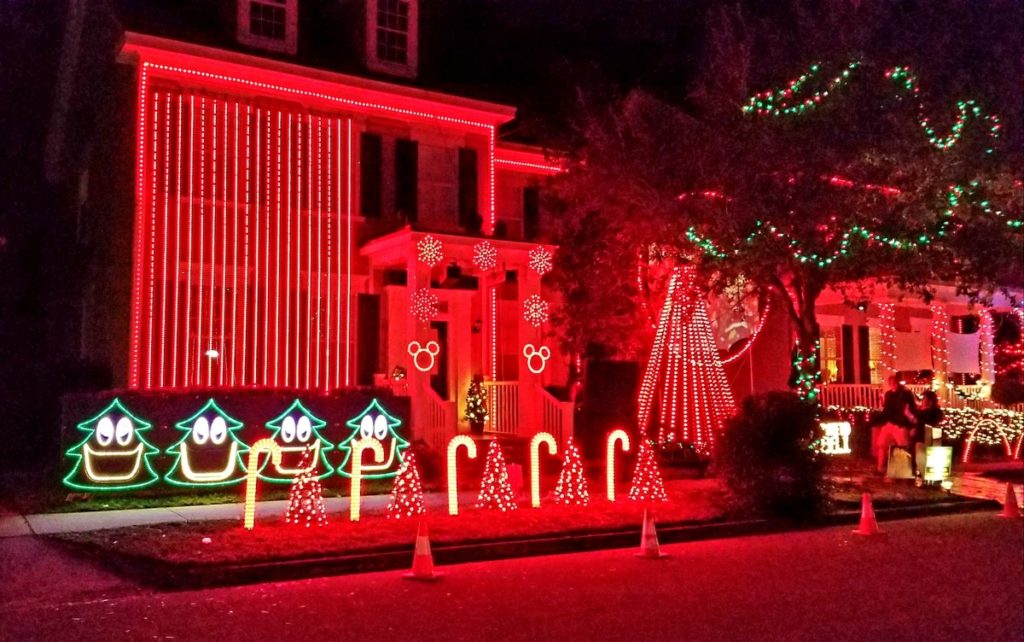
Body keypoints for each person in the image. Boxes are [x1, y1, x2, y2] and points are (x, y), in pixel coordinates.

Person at [874, 375, 917, 474]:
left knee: (904, 446)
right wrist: (881, 419)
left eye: (895, 382)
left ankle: (905, 470)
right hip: (890, 423)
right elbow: (887, 410)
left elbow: (911, 408)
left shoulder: (906, 393)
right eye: (891, 383)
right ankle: (880, 468)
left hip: (900, 424)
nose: (893, 385)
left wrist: (909, 423)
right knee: (882, 444)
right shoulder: (888, 394)